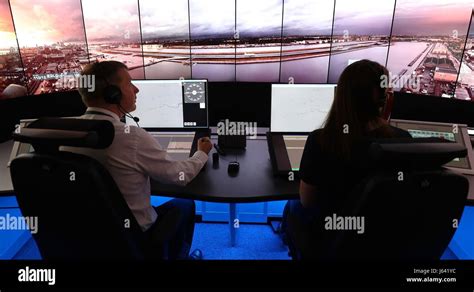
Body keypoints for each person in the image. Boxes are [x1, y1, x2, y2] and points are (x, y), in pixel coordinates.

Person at [65, 61, 212, 259]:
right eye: (129, 83)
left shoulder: (67, 132)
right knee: (186, 204)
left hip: (88, 235)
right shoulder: (131, 137)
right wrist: (201, 152)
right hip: (134, 235)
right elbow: (180, 176)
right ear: (112, 94)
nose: (136, 89)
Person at [281, 59, 412, 258]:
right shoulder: (403, 140)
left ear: (341, 96)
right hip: (379, 242)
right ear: (386, 100)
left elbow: (307, 201)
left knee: (292, 205)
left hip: (330, 239)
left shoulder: (321, 140)